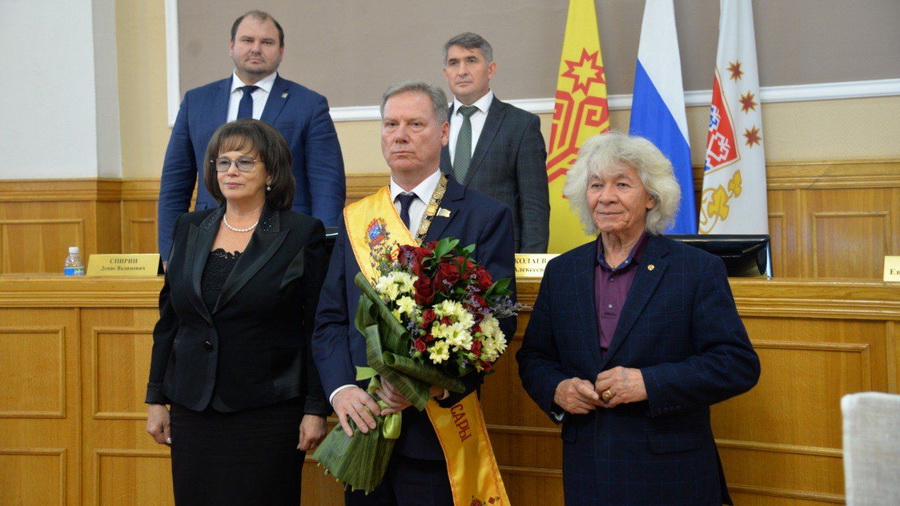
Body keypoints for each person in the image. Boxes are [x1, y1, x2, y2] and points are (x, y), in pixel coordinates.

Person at [516, 132, 760, 505]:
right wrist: (556, 389)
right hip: (588, 471)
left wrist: (649, 382)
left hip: (670, 474)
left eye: (622, 184)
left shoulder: (695, 270)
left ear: (651, 197)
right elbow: (534, 357)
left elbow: (737, 364)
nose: (606, 196)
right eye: (596, 185)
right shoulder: (563, 272)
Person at [313, 80, 516, 505]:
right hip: (364, 423)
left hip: (437, 434)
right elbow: (330, 319)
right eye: (390, 124)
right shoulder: (356, 218)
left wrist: (429, 386)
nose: (400, 135)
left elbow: (499, 319)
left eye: (415, 124)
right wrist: (340, 391)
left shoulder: (485, 215)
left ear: (443, 133)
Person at [146, 119, 330, 505]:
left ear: (271, 173)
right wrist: (155, 399)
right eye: (222, 162)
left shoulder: (302, 232)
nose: (231, 171)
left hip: (267, 410)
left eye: (245, 162)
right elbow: (170, 322)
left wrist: (316, 407)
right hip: (192, 408)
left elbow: (316, 326)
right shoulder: (188, 226)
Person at [157, 10, 345, 262]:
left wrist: (324, 252)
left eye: (266, 42)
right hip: (208, 240)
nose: (256, 48)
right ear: (231, 46)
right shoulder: (196, 102)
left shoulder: (309, 104)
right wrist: (170, 254)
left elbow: (327, 185)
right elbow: (174, 184)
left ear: (281, 51)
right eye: (247, 40)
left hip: (285, 242)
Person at [439, 32, 550, 253]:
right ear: (446, 73)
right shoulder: (433, 125)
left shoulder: (521, 125)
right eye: (454, 63)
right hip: (439, 261)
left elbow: (534, 207)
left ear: (490, 69)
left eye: (471, 60)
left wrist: (529, 269)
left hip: (500, 257)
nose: (462, 71)